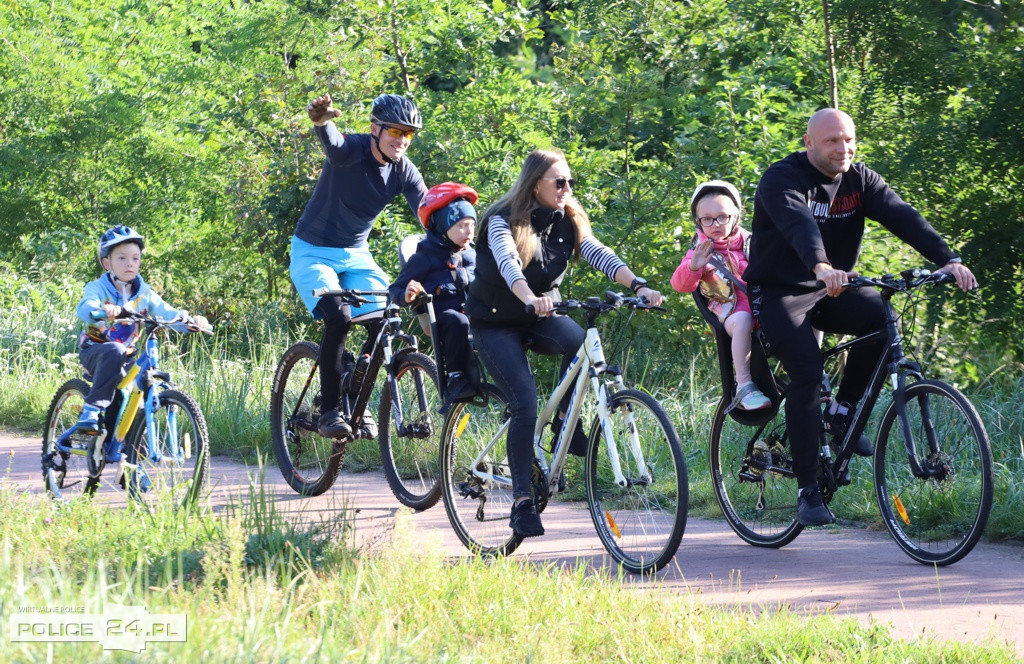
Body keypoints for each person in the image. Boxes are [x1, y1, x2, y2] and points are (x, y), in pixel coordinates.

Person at [744, 108, 978, 527]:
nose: (844, 148)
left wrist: (948, 259)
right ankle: (808, 489)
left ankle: (843, 411)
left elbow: (902, 214)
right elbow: (798, 223)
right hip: (779, 291)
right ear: (809, 142)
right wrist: (819, 264)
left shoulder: (861, 179)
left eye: (849, 139)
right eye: (833, 140)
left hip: (832, 287)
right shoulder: (781, 177)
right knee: (807, 374)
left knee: (880, 317)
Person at [465, 148, 664, 538]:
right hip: (494, 322)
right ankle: (522, 502)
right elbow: (507, 263)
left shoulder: (567, 220)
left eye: (570, 181)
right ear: (534, 183)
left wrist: (639, 285)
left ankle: (563, 426)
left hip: (539, 314)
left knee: (579, 343)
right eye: (559, 182)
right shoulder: (500, 220)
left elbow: (597, 253)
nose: (567, 188)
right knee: (524, 401)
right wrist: (526, 296)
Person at [289, 92, 427, 438]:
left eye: (408, 134)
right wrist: (322, 121)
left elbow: (430, 213)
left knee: (388, 315)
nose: (402, 141)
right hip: (313, 250)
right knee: (339, 316)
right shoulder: (353, 150)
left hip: (356, 253)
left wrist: (458, 242)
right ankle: (331, 411)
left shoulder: (404, 172)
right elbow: (334, 144)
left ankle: (353, 388)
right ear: (374, 129)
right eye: (395, 131)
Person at [75, 225, 210, 434]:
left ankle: (134, 444)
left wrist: (191, 321)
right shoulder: (97, 287)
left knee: (138, 387)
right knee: (115, 350)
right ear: (106, 263)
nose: (129, 263)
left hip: (127, 357)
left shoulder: (144, 292)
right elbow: (85, 308)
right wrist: (103, 310)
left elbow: (168, 313)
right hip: (96, 351)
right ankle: (90, 410)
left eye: (135, 258)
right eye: (121, 258)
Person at [671, 180, 771, 411]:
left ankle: (814, 377)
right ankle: (744, 384)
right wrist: (694, 267)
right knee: (743, 320)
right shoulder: (701, 250)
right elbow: (679, 284)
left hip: (765, 308)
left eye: (722, 216)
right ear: (698, 221)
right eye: (707, 219)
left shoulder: (752, 242)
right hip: (731, 313)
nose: (715, 224)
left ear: (736, 215)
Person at [389, 181, 478, 411]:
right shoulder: (424, 258)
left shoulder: (472, 256)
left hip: (472, 315)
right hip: (439, 317)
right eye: (461, 226)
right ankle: (455, 377)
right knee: (459, 321)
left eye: (471, 225)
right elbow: (395, 289)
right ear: (442, 228)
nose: (468, 232)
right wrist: (407, 295)